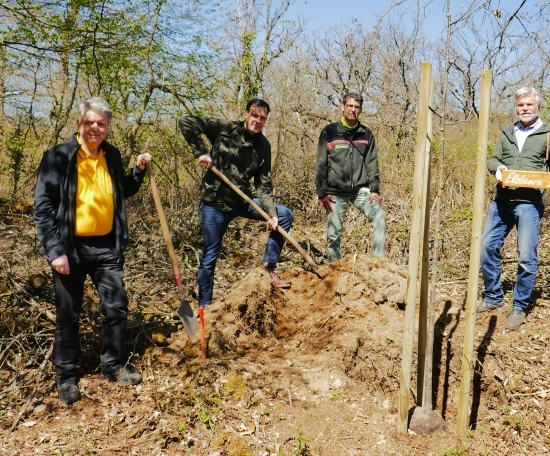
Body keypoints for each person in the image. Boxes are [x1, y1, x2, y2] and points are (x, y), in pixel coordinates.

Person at [34, 97, 152, 405]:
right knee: (68, 314)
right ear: (79, 123)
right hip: (68, 248)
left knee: (116, 307)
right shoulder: (58, 157)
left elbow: (121, 190)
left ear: (108, 127)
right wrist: (54, 250)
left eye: (101, 123)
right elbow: (43, 207)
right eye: (89, 122)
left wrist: (137, 171)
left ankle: (111, 364)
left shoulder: (111, 154)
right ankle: (66, 375)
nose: (95, 128)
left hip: (106, 246)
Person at [179, 98, 294, 302]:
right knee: (209, 258)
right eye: (255, 115)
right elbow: (186, 122)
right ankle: (205, 306)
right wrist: (202, 152)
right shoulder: (226, 129)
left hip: (241, 201)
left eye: (263, 118)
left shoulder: (263, 146)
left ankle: (269, 268)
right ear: (246, 115)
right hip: (214, 204)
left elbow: (264, 184)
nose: (258, 120)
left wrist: (272, 214)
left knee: (284, 215)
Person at [476, 86, 550, 330]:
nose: (525, 109)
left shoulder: (548, 133)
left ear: (538, 107)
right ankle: (493, 297)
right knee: (486, 247)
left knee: (526, 256)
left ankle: (520, 306)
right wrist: (498, 170)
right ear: (516, 108)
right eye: (520, 105)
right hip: (502, 202)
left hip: (529, 204)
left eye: (529, 104)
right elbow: (494, 159)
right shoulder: (507, 132)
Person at [315, 92, 386, 262]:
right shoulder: (329, 132)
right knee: (333, 236)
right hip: (335, 192)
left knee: (379, 215)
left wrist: (374, 190)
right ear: (342, 107)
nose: (353, 110)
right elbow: (321, 164)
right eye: (350, 106)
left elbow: (372, 163)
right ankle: (335, 270)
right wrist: (322, 193)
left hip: (360, 190)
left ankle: (377, 263)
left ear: (360, 110)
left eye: (357, 107)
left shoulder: (366, 134)